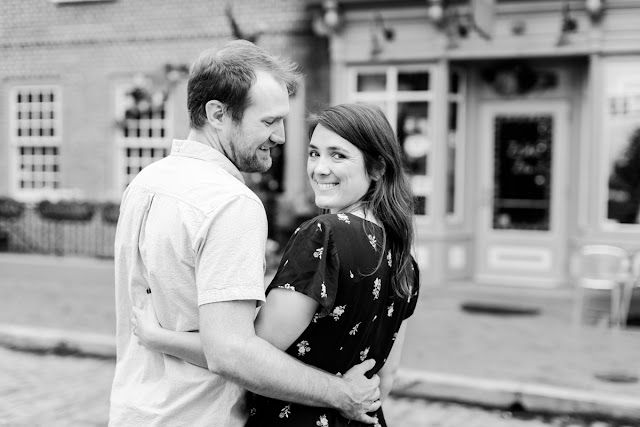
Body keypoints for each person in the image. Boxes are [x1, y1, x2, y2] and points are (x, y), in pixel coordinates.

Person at [109, 41, 382, 426]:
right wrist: (341, 393)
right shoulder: (231, 203)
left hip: (134, 412)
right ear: (217, 114)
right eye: (268, 122)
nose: (283, 137)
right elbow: (232, 352)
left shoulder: (144, 183)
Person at [132, 103, 421, 426]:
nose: (320, 169)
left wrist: (157, 337)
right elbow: (387, 378)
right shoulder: (406, 261)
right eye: (314, 154)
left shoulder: (325, 236)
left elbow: (246, 355)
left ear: (378, 167)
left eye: (338, 155)